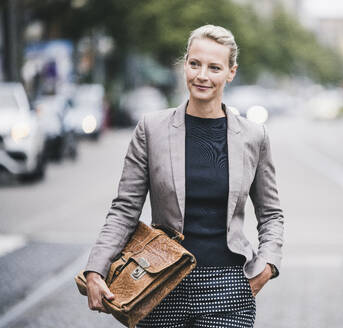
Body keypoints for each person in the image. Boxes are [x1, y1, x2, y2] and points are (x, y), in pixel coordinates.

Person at [84, 24, 284, 328]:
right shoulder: (152, 129)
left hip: (228, 290)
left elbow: (271, 214)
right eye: (195, 64)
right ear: (185, 65)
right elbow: (125, 209)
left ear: (231, 73)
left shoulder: (254, 137)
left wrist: (267, 265)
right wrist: (95, 269)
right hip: (159, 283)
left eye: (214, 67)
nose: (202, 75)